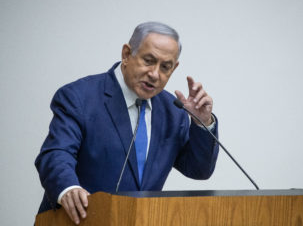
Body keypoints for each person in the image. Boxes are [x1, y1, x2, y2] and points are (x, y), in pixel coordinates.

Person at [35, 22, 219, 225]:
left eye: (165, 67)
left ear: (174, 69)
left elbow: (198, 170)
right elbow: (56, 153)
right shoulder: (79, 97)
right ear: (126, 54)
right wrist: (68, 188)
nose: (155, 74)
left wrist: (202, 123)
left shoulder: (173, 111)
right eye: (148, 61)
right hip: (78, 220)